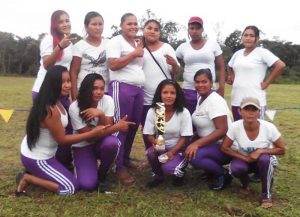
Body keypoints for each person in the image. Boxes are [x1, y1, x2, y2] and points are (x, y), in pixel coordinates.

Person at [16, 65, 109, 196]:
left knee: (71, 180)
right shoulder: (50, 109)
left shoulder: (57, 101)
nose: (67, 85)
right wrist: (91, 133)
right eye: (63, 82)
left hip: (48, 155)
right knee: (70, 188)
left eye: (68, 81)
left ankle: (34, 172)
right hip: (38, 158)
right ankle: (27, 178)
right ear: (53, 83)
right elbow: (62, 139)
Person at [69, 73, 135, 191]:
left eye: (101, 88)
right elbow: (89, 138)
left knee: (112, 143)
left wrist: (101, 114)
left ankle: (102, 173)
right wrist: (116, 127)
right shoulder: (75, 107)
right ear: (86, 88)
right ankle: (84, 165)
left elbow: (107, 127)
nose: (99, 92)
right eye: (95, 88)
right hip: (82, 146)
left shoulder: (107, 100)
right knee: (87, 185)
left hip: (101, 142)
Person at [221, 97, 285, 208]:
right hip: (244, 159)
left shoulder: (269, 127)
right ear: (240, 111)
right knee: (236, 168)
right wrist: (244, 158)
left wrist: (261, 151)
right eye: (247, 109)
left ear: (259, 112)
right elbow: (224, 147)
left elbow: (282, 149)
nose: (250, 113)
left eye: (254, 109)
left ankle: (266, 195)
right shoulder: (235, 126)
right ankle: (245, 185)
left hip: (263, 160)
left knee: (266, 159)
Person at [31, 10, 75, 168]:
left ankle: (63, 162)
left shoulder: (69, 42)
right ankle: (36, 162)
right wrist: (59, 47)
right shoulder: (49, 40)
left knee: (67, 127)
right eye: (61, 21)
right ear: (54, 24)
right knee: (45, 132)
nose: (65, 24)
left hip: (62, 92)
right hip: (44, 92)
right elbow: (47, 65)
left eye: (67, 20)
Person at [106, 13, 144, 185]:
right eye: (129, 23)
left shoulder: (137, 43)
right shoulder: (116, 41)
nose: (133, 26)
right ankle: (118, 165)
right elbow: (113, 64)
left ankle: (126, 158)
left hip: (138, 89)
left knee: (133, 126)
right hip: (121, 87)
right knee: (121, 126)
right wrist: (134, 53)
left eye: (136, 24)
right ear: (121, 25)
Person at [185, 68, 232, 190]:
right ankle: (210, 170)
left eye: (204, 82)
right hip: (210, 144)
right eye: (197, 82)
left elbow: (222, 130)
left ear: (211, 83)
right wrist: (193, 137)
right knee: (185, 145)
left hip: (224, 146)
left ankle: (223, 174)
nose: (200, 85)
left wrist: (197, 144)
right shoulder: (201, 98)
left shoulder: (215, 101)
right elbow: (205, 124)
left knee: (193, 155)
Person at [227, 25, 286, 121]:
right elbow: (229, 66)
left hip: (255, 101)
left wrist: (267, 82)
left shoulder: (262, 52)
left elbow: (280, 65)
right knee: (239, 131)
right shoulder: (237, 54)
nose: (248, 38)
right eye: (245, 35)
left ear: (257, 38)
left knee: (256, 133)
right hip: (236, 100)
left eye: (251, 36)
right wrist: (232, 77)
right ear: (242, 37)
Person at [143, 79, 193, 188]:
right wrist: (155, 142)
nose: (169, 96)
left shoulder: (183, 112)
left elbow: (184, 137)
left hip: (178, 150)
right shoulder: (155, 111)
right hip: (162, 147)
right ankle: (158, 177)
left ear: (177, 95)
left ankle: (180, 172)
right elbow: (149, 134)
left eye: (172, 93)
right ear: (159, 94)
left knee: (170, 168)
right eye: (165, 92)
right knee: (151, 153)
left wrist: (172, 152)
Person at [141, 19, 180, 149]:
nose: (152, 31)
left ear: (160, 33)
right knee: (147, 130)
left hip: (162, 97)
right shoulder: (138, 47)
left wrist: (174, 64)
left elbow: (175, 71)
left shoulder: (166, 47)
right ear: (144, 30)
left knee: (161, 130)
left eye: (156, 29)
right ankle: (151, 156)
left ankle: (162, 156)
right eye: (149, 28)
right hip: (144, 97)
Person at [176, 16, 226, 115]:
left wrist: (221, 89)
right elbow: (173, 66)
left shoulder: (213, 45)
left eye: (197, 28)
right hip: (189, 91)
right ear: (188, 30)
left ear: (202, 29)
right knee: (189, 121)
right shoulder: (182, 47)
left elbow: (221, 67)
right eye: (192, 28)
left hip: (209, 90)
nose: (194, 31)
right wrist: (176, 87)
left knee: (209, 120)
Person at [70, 11, 110, 101]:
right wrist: (74, 96)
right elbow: (73, 73)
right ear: (86, 27)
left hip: (104, 91)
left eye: (100, 24)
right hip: (84, 92)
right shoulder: (79, 46)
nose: (98, 27)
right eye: (94, 24)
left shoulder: (109, 43)